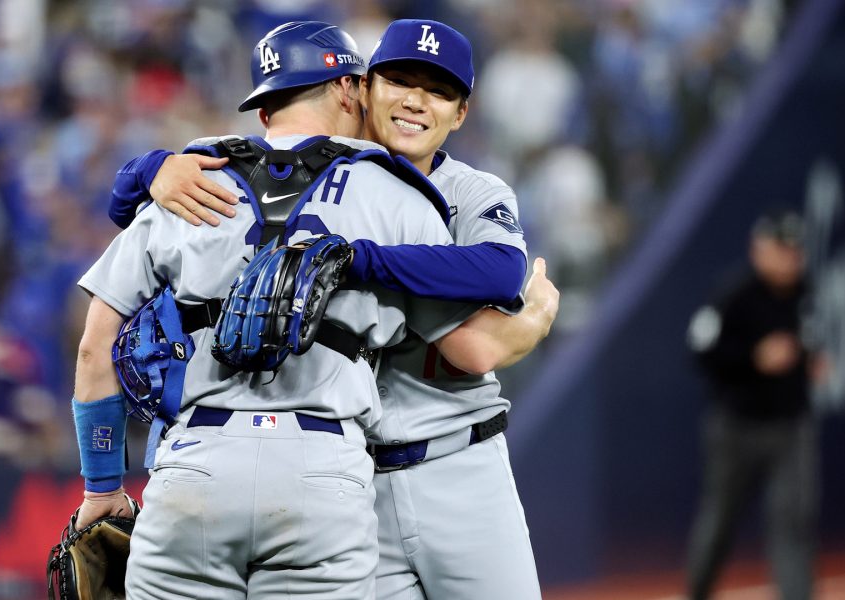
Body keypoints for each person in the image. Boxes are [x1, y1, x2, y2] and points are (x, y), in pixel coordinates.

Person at [110, 19, 559, 600]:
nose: (417, 101)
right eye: (400, 80)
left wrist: (356, 259)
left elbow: (491, 295)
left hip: (457, 456)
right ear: (362, 87)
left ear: (460, 113)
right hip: (350, 475)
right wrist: (151, 170)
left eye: (439, 91)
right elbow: (131, 204)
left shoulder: (470, 191)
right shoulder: (308, 173)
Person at [685, 210, 817, 600]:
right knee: (720, 522)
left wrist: (811, 357)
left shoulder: (804, 292)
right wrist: (753, 357)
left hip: (790, 425)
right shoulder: (733, 294)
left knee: (794, 522)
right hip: (736, 427)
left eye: (796, 250)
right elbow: (699, 349)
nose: (791, 258)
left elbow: (808, 341)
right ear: (760, 250)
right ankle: (699, 592)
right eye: (782, 249)